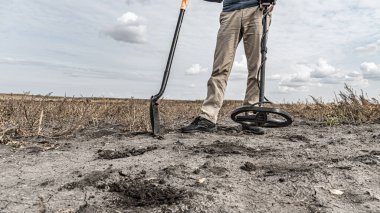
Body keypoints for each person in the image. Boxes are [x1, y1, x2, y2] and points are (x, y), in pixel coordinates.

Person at [181, 0, 273, 135]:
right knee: (220, 67)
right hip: (230, 11)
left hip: (257, 9)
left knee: (256, 67)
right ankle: (208, 117)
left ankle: (251, 116)